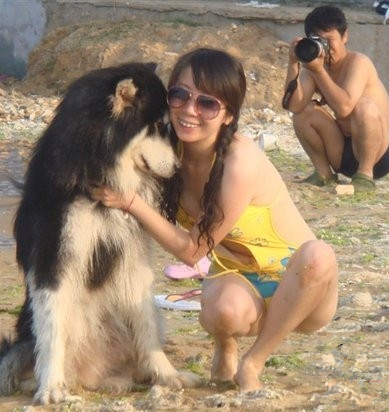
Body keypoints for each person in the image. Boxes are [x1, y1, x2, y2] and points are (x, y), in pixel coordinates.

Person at [91, 47, 338, 392]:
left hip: (302, 288)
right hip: (239, 280)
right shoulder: (166, 151)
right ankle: (227, 344)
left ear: (228, 115)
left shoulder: (240, 162)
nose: (189, 110)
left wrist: (131, 202)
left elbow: (192, 252)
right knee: (222, 312)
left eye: (207, 103)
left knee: (319, 254)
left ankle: (254, 362)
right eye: (180, 95)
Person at [282, 5, 389, 192]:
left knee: (363, 106)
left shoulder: (358, 62)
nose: (326, 47)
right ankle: (323, 174)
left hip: (380, 153)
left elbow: (345, 108)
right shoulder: (314, 68)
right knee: (305, 111)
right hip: (344, 153)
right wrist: (293, 63)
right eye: (319, 41)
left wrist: (319, 72)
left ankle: (365, 176)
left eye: (329, 40)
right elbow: (294, 106)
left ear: (345, 37)